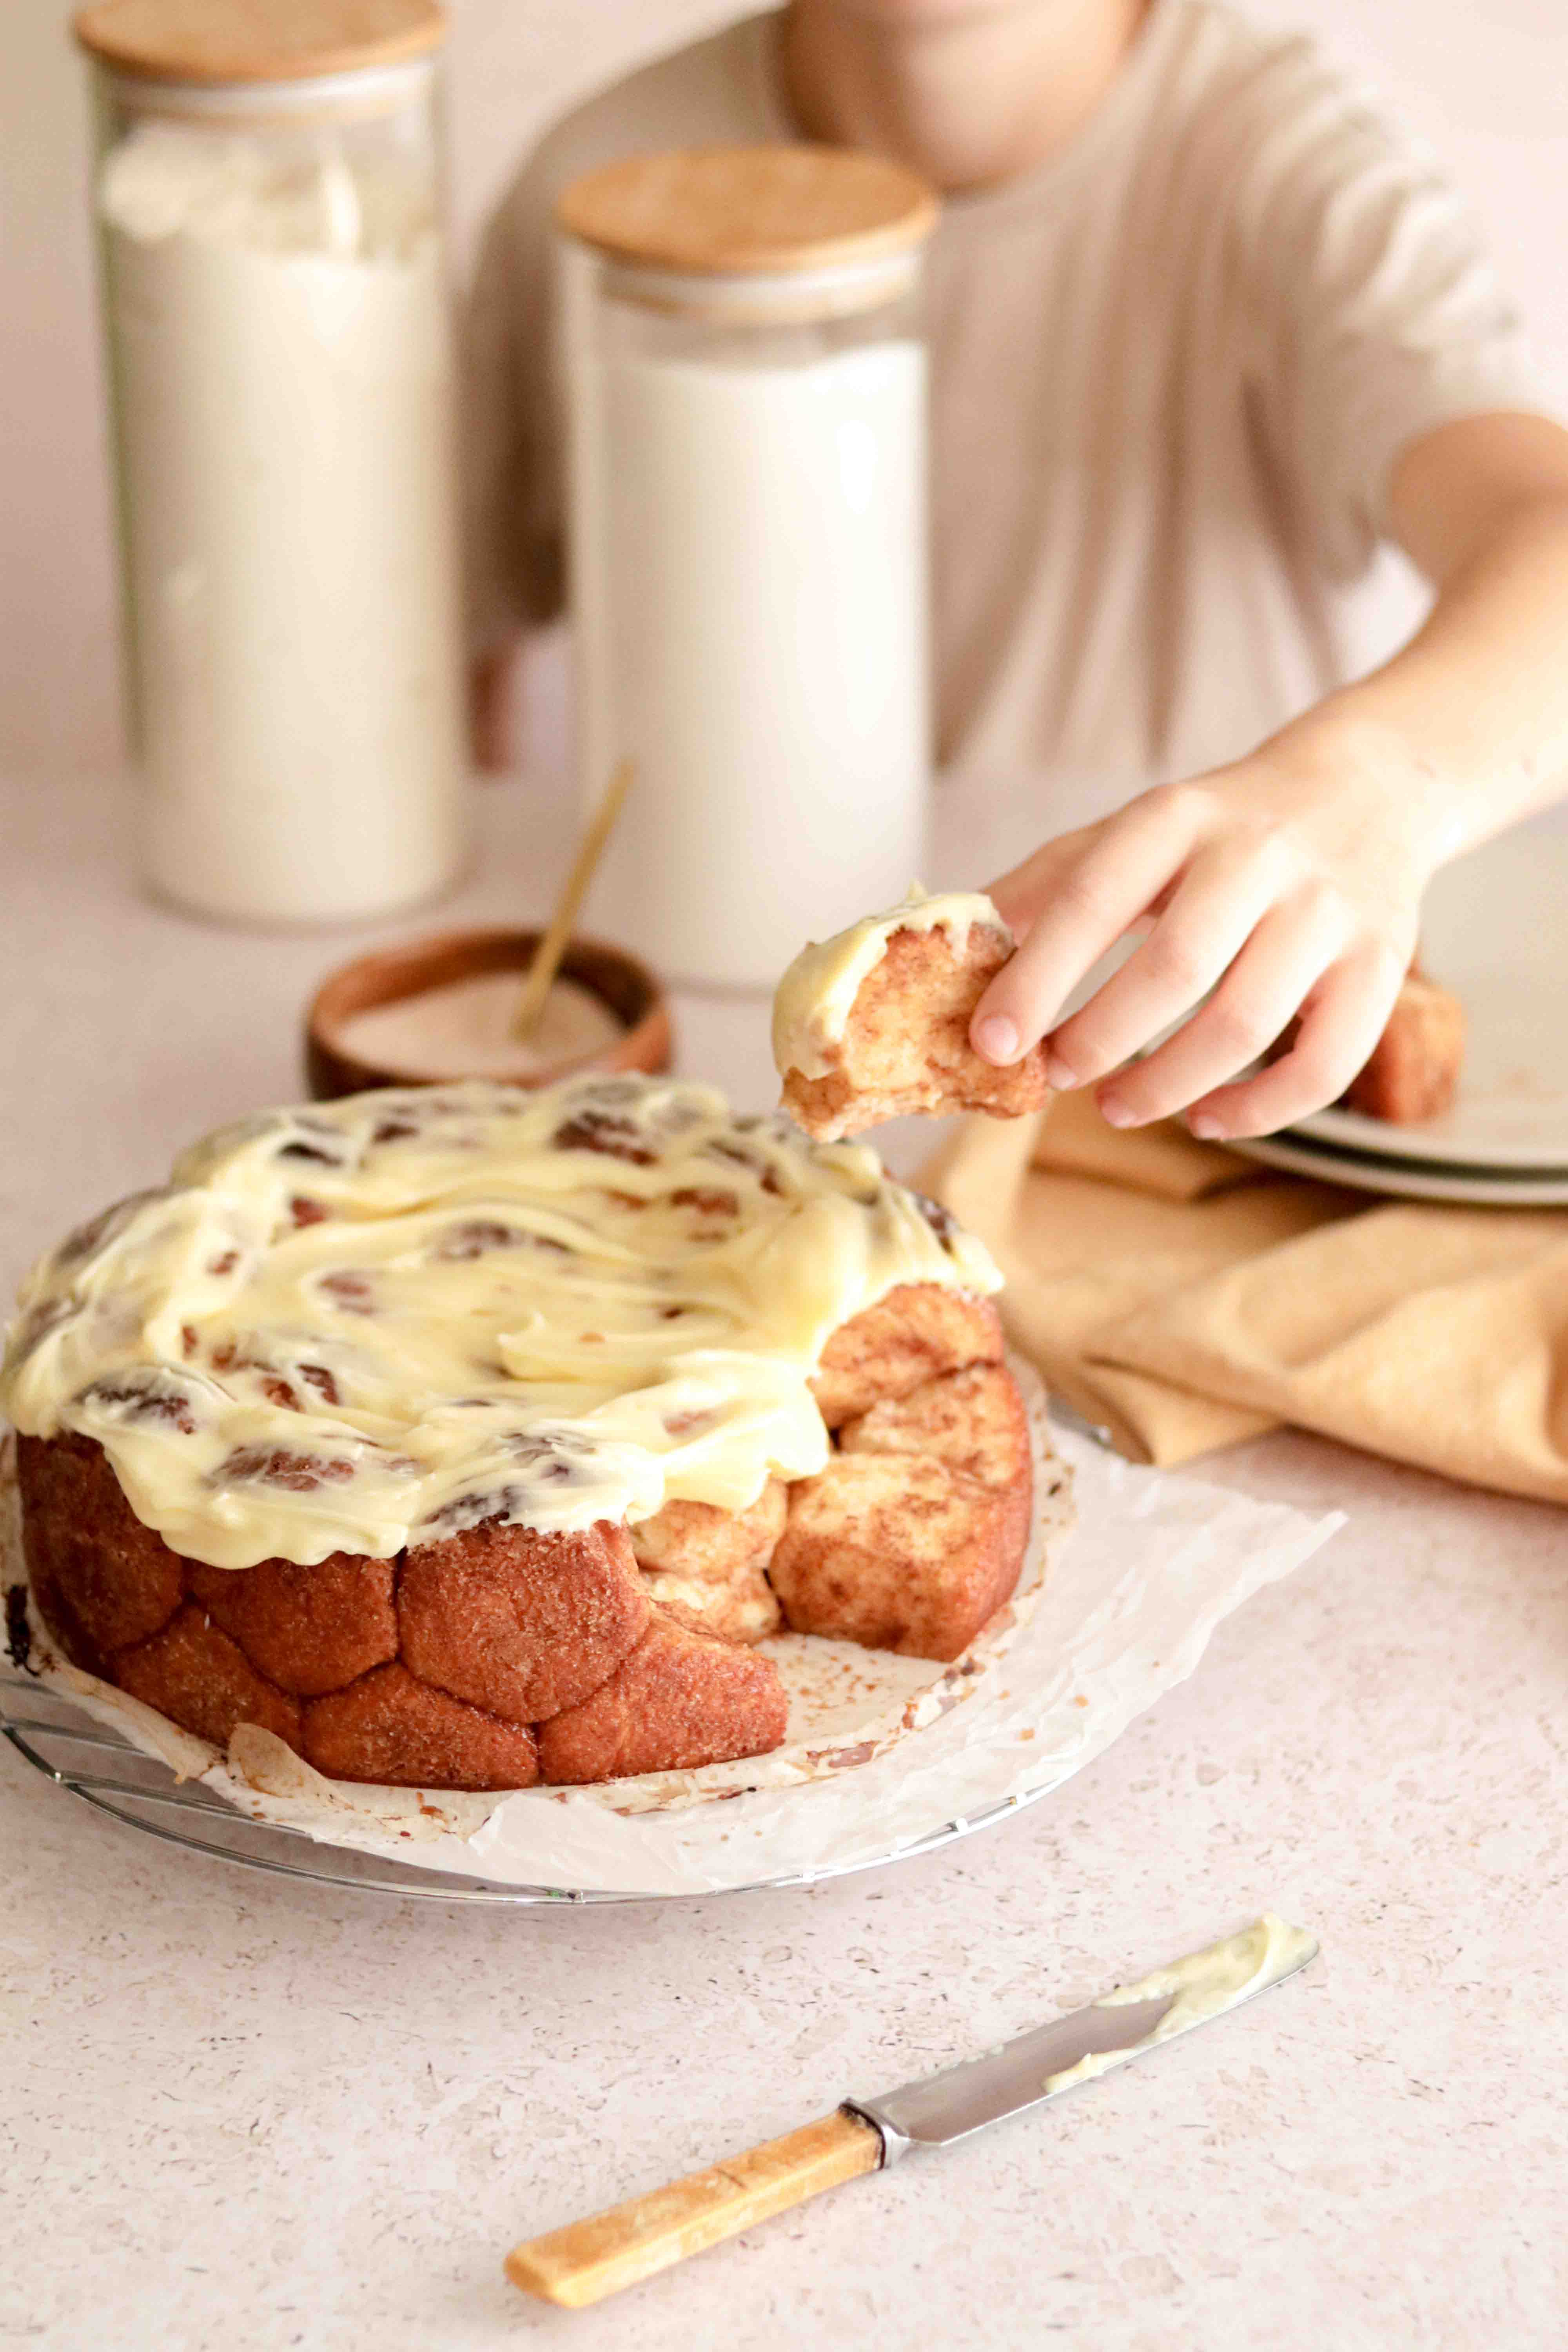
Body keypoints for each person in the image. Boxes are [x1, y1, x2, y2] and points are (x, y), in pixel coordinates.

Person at [463, 0, 1568, 1138]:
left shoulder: (1295, 175)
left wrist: (1373, 787)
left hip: (1183, 1094)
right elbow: (441, 678)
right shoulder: (608, 184)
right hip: (699, 1048)